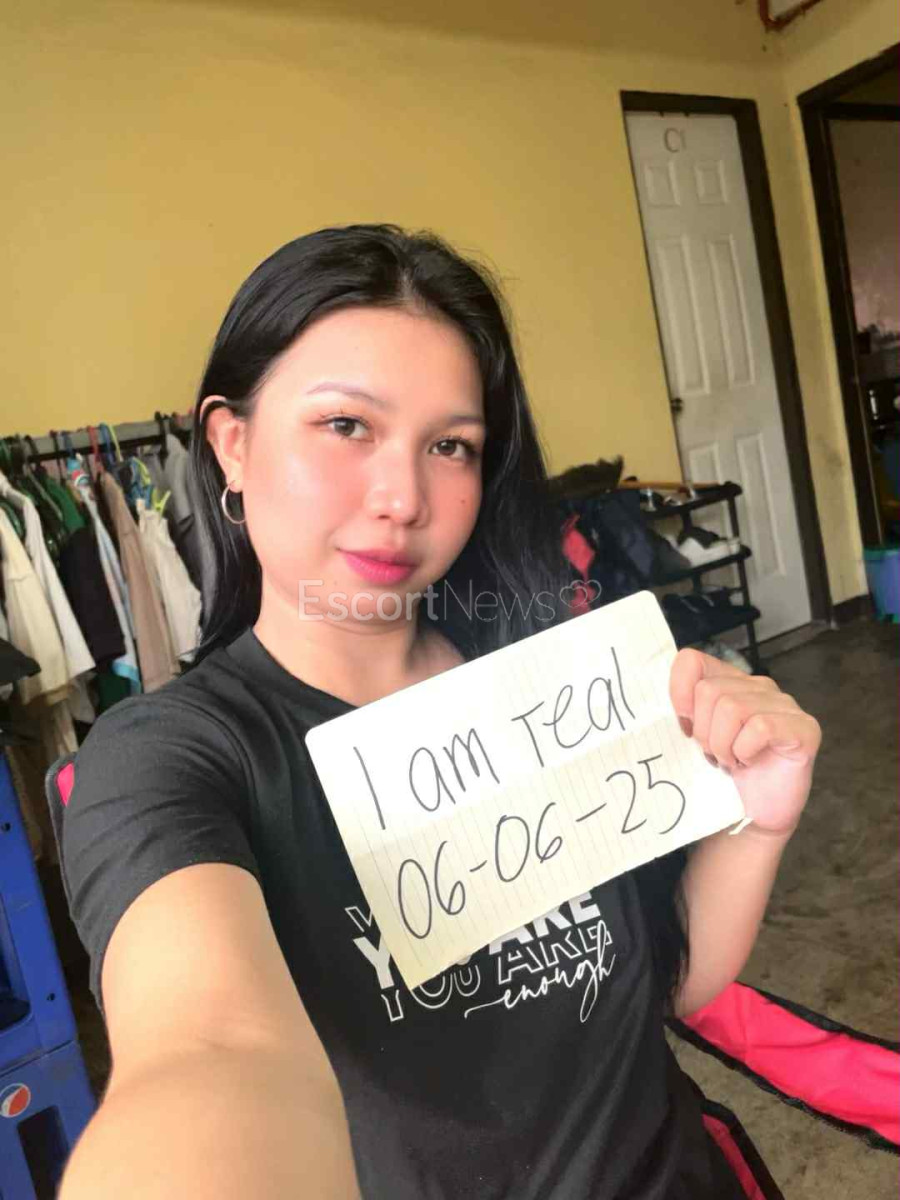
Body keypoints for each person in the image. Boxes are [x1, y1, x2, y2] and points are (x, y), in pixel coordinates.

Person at [58, 224, 821, 1199]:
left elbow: (658, 985)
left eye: (450, 445)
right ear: (232, 444)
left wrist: (758, 819)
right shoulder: (174, 760)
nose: (403, 498)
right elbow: (209, 1049)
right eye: (346, 426)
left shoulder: (552, 688)